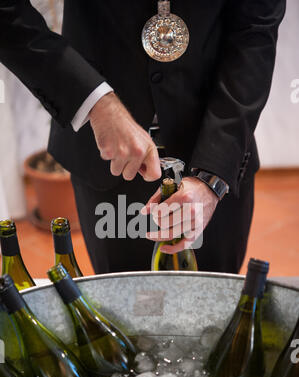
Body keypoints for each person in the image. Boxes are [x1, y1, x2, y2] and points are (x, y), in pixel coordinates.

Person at [0, 1, 286, 274]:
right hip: (108, 161)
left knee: (213, 308)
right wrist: (95, 102)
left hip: (218, 154)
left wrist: (212, 177)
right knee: (124, 308)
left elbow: (255, 31)